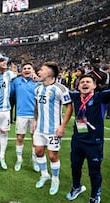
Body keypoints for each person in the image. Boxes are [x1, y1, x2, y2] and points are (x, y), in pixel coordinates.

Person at [66, 75, 110, 203]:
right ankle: (76, 187)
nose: (85, 84)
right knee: (75, 167)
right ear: (78, 86)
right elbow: (59, 89)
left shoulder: (101, 97)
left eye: (88, 82)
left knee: (94, 171)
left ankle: (95, 195)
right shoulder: (75, 96)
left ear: (94, 86)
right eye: (82, 82)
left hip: (94, 143)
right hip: (77, 141)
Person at [32, 61, 73, 195]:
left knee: (52, 156)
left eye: (42, 70)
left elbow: (69, 107)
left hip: (54, 129)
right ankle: (44, 175)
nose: (39, 72)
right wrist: (34, 120)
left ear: (49, 73)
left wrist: (62, 126)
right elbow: (37, 106)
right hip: (39, 128)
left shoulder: (60, 89)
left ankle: (55, 179)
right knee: (38, 151)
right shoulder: (38, 88)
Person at [10, 62, 40, 172]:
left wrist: (39, 79)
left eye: (29, 68)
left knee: (35, 138)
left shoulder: (37, 83)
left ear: (32, 70)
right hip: (21, 114)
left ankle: (34, 160)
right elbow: (10, 94)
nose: (26, 70)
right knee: (19, 137)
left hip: (34, 115)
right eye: (24, 68)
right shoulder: (16, 82)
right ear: (21, 71)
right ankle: (19, 159)